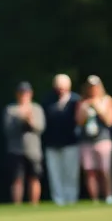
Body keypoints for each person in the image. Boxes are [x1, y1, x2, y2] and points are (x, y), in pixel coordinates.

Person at [3, 82, 46, 206]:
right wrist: (20, 119)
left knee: (35, 177)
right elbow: (8, 130)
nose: (24, 96)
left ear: (30, 94)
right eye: (22, 93)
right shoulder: (11, 110)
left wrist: (30, 121)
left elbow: (40, 128)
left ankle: (34, 203)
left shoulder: (36, 109)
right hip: (15, 150)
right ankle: (17, 205)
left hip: (33, 150)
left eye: (26, 93)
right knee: (17, 179)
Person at [75, 75, 112, 204]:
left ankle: (108, 196)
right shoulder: (82, 102)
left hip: (102, 139)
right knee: (89, 171)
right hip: (86, 141)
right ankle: (94, 199)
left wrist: (98, 108)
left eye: (96, 87)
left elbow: (109, 121)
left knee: (104, 170)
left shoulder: (106, 100)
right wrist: (85, 109)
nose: (93, 90)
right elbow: (79, 121)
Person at [43, 74, 81, 205]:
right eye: (58, 87)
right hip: (52, 143)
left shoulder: (76, 101)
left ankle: (71, 199)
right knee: (55, 174)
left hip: (71, 143)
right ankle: (58, 200)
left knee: (70, 174)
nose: (60, 90)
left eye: (63, 87)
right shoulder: (48, 101)